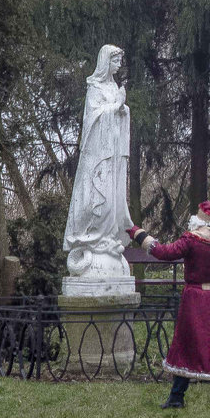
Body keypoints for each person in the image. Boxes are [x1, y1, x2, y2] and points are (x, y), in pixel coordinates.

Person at [127, 200, 210, 408]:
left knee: (186, 343)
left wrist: (139, 234)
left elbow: (165, 253)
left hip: (195, 297)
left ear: (199, 219)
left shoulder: (192, 239)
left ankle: (177, 396)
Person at [64, 44, 134, 280]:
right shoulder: (94, 86)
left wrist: (123, 109)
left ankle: (108, 239)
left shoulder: (114, 86)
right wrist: (116, 106)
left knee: (113, 199)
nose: (119, 65)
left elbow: (117, 113)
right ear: (106, 62)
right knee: (99, 198)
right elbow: (93, 118)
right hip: (98, 155)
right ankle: (94, 238)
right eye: (115, 61)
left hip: (113, 153)